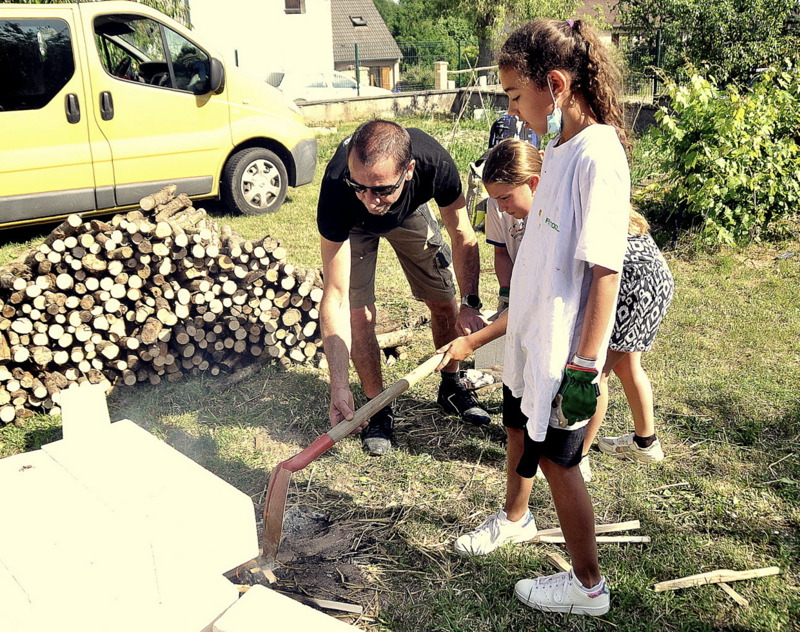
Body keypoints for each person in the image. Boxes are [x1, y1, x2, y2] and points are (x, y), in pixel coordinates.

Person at [437, 18, 630, 616]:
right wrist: (498, 334)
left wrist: (585, 365)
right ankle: (515, 518)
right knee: (518, 428)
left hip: (564, 349)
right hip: (532, 339)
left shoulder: (598, 155)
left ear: (556, 83)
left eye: (518, 96)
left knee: (559, 460)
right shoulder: (559, 147)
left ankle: (588, 586)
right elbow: (540, 261)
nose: (516, 111)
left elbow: (604, 270)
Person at [318, 120, 490, 457]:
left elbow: (463, 235)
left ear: (409, 170)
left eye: (382, 189)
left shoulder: (434, 163)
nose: (370, 199)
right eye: (360, 186)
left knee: (443, 300)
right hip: (353, 227)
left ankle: (452, 386)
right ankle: (377, 407)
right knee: (358, 313)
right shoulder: (339, 187)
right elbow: (335, 296)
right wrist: (338, 383)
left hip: (409, 213)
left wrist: (470, 302)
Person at [582, 207, 674, 463]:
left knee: (596, 371)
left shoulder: (583, 202)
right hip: (655, 281)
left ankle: (578, 456)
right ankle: (645, 444)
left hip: (631, 289)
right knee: (627, 365)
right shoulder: (611, 198)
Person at [481, 138, 542, 312]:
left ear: (533, 183)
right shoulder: (495, 204)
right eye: (495, 199)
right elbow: (501, 253)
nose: (501, 207)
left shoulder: (553, 215)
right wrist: (506, 296)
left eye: (505, 198)